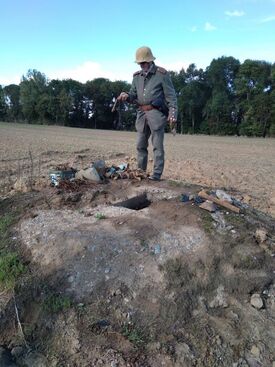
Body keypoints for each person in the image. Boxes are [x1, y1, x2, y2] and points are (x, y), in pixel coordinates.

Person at [117, 46, 177, 181]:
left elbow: (171, 96)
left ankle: (156, 176)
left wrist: (173, 114)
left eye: (144, 62)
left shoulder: (162, 74)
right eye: (140, 63)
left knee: (157, 147)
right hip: (141, 115)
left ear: (150, 61)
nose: (142, 65)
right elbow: (133, 94)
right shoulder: (136, 77)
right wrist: (126, 95)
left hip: (156, 114)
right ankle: (141, 173)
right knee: (140, 146)